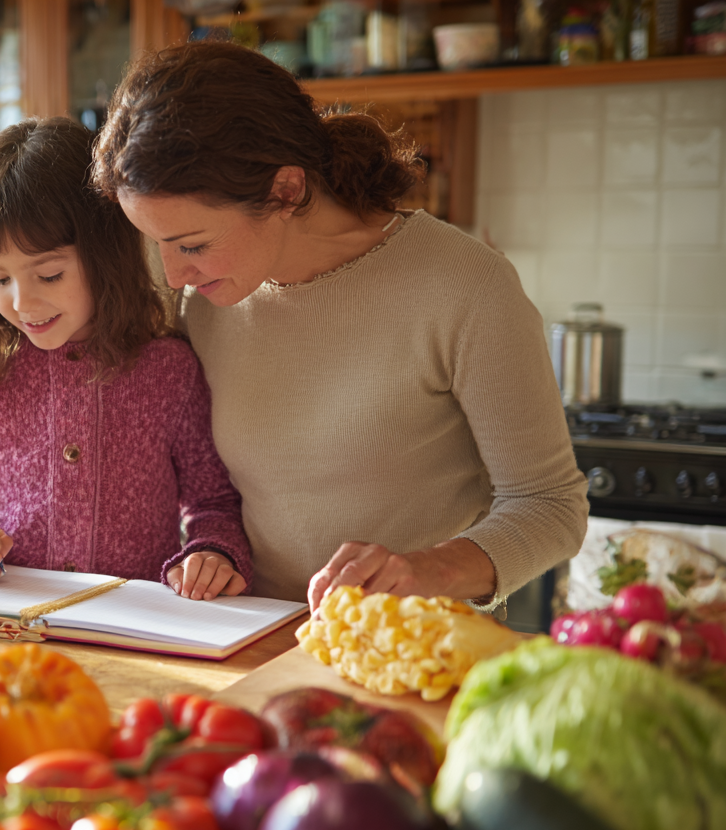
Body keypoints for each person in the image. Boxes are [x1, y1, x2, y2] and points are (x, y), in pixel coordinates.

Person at [92, 42, 588, 612]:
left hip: (412, 651)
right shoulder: (201, 286)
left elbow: (551, 506)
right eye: (157, 244)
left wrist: (427, 570)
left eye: (193, 246)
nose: (173, 276)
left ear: (286, 190)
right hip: (249, 641)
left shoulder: (466, 287)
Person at [0, 116, 252, 601]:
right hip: (12, 624)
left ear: (105, 256)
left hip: (134, 626)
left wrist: (213, 553)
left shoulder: (168, 370)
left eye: (48, 275)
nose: (22, 302)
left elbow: (212, 500)